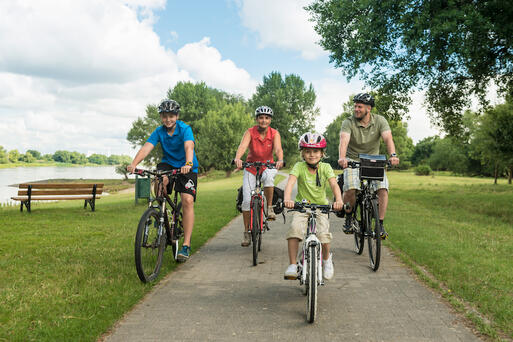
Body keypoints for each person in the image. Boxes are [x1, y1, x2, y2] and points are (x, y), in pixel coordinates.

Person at [127, 99, 199, 262]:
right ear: (161, 117)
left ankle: (186, 245)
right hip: (168, 163)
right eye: (165, 116)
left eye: (171, 116)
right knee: (159, 184)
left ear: (177, 116)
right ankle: (161, 215)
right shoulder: (159, 131)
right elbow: (147, 147)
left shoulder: (184, 129)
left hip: (187, 166)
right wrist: (134, 164)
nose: (168, 119)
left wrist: (188, 163)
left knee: (187, 200)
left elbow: (189, 146)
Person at [338, 93, 400, 239]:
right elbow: (344, 140)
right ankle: (349, 217)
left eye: (359, 107)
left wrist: (393, 155)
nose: (356, 109)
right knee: (351, 188)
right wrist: (342, 158)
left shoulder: (380, 121)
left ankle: (380, 224)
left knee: (383, 189)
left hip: (374, 160)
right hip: (353, 160)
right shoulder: (348, 122)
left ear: (369, 108)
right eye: (355, 106)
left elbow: (388, 138)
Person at [283, 133, 343, 280]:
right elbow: (290, 182)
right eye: (308, 151)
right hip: (301, 207)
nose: (312, 155)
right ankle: (292, 265)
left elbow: (334, 184)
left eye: (315, 151)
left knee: (323, 235)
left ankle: (327, 260)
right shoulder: (299, 166)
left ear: (322, 153)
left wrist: (339, 200)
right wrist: (287, 199)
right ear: (302, 153)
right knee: (295, 230)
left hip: (321, 207)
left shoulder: (326, 167)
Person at [233, 105, 284, 247]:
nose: (264, 120)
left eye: (267, 118)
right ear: (257, 119)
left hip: (268, 166)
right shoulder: (250, 132)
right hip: (251, 167)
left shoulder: (274, 133)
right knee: (246, 201)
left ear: (270, 120)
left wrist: (280, 160)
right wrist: (238, 158)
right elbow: (242, 147)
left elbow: (278, 149)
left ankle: (269, 207)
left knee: (268, 178)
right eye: (261, 118)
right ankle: (246, 232)